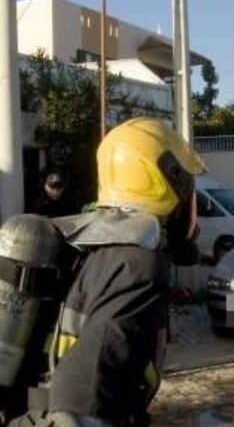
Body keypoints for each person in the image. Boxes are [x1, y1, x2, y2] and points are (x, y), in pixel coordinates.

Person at [3, 117, 206, 427]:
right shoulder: (138, 266)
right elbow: (81, 411)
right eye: (192, 193)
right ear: (172, 181)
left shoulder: (88, 244)